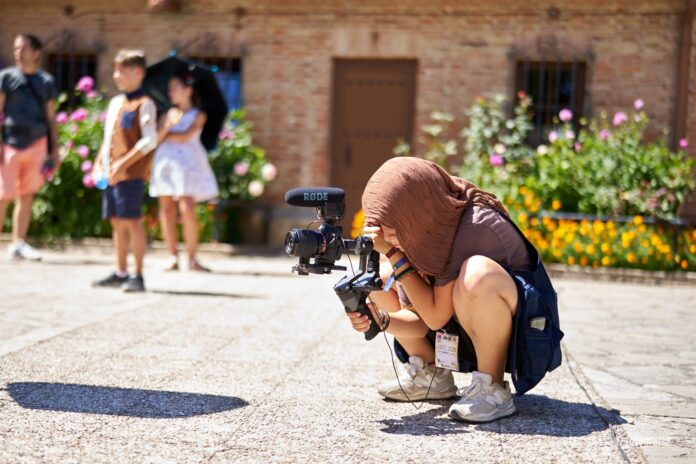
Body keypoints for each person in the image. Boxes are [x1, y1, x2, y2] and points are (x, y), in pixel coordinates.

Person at [347, 157, 562, 423]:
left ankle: (492, 388)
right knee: (379, 281)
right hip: (461, 328)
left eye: (389, 227)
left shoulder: (474, 225)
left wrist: (393, 252)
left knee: (477, 273)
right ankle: (432, 375)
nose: (385, 236)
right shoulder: (422, 232)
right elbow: (420, 319)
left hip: (523, 340)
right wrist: (380, 321)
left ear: (414, 212)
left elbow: (435, 317)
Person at [92, 50, 157, 292]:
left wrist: (123, 163)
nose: (116, 75)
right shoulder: (115, 103)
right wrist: (100, 162)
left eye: (121, 71)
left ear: (137, 72)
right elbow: (108, 137)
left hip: (130, 175)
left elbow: (148, 141)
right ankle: (120, 271)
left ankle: (137, 275)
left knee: (132, 222)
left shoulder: (145, 104)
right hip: (111, 175)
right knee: (117, 222)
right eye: (115, 70)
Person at [150, 73, 219, 272]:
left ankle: (192, 258)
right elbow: (155, 139)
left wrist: (166, 133)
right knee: (166, 210)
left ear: (188, 90)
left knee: (187, 208)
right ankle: (172, 256)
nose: (171, 92)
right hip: (166, 164)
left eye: (175, 88)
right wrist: (167, 125)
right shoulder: (167, 114)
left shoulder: (199, 114)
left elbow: (186, 136)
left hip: (187, 164)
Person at [0, 34, 59, 261]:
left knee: (26, 195)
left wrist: (54, 151)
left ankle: (19, 243)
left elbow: (51, 119)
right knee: (3, 195)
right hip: (9, 145)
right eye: (16, 48)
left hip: (37, 144)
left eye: (23, 48)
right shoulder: (5, 78)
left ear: (37, 53)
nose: (18, 52)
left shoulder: (46, 82)